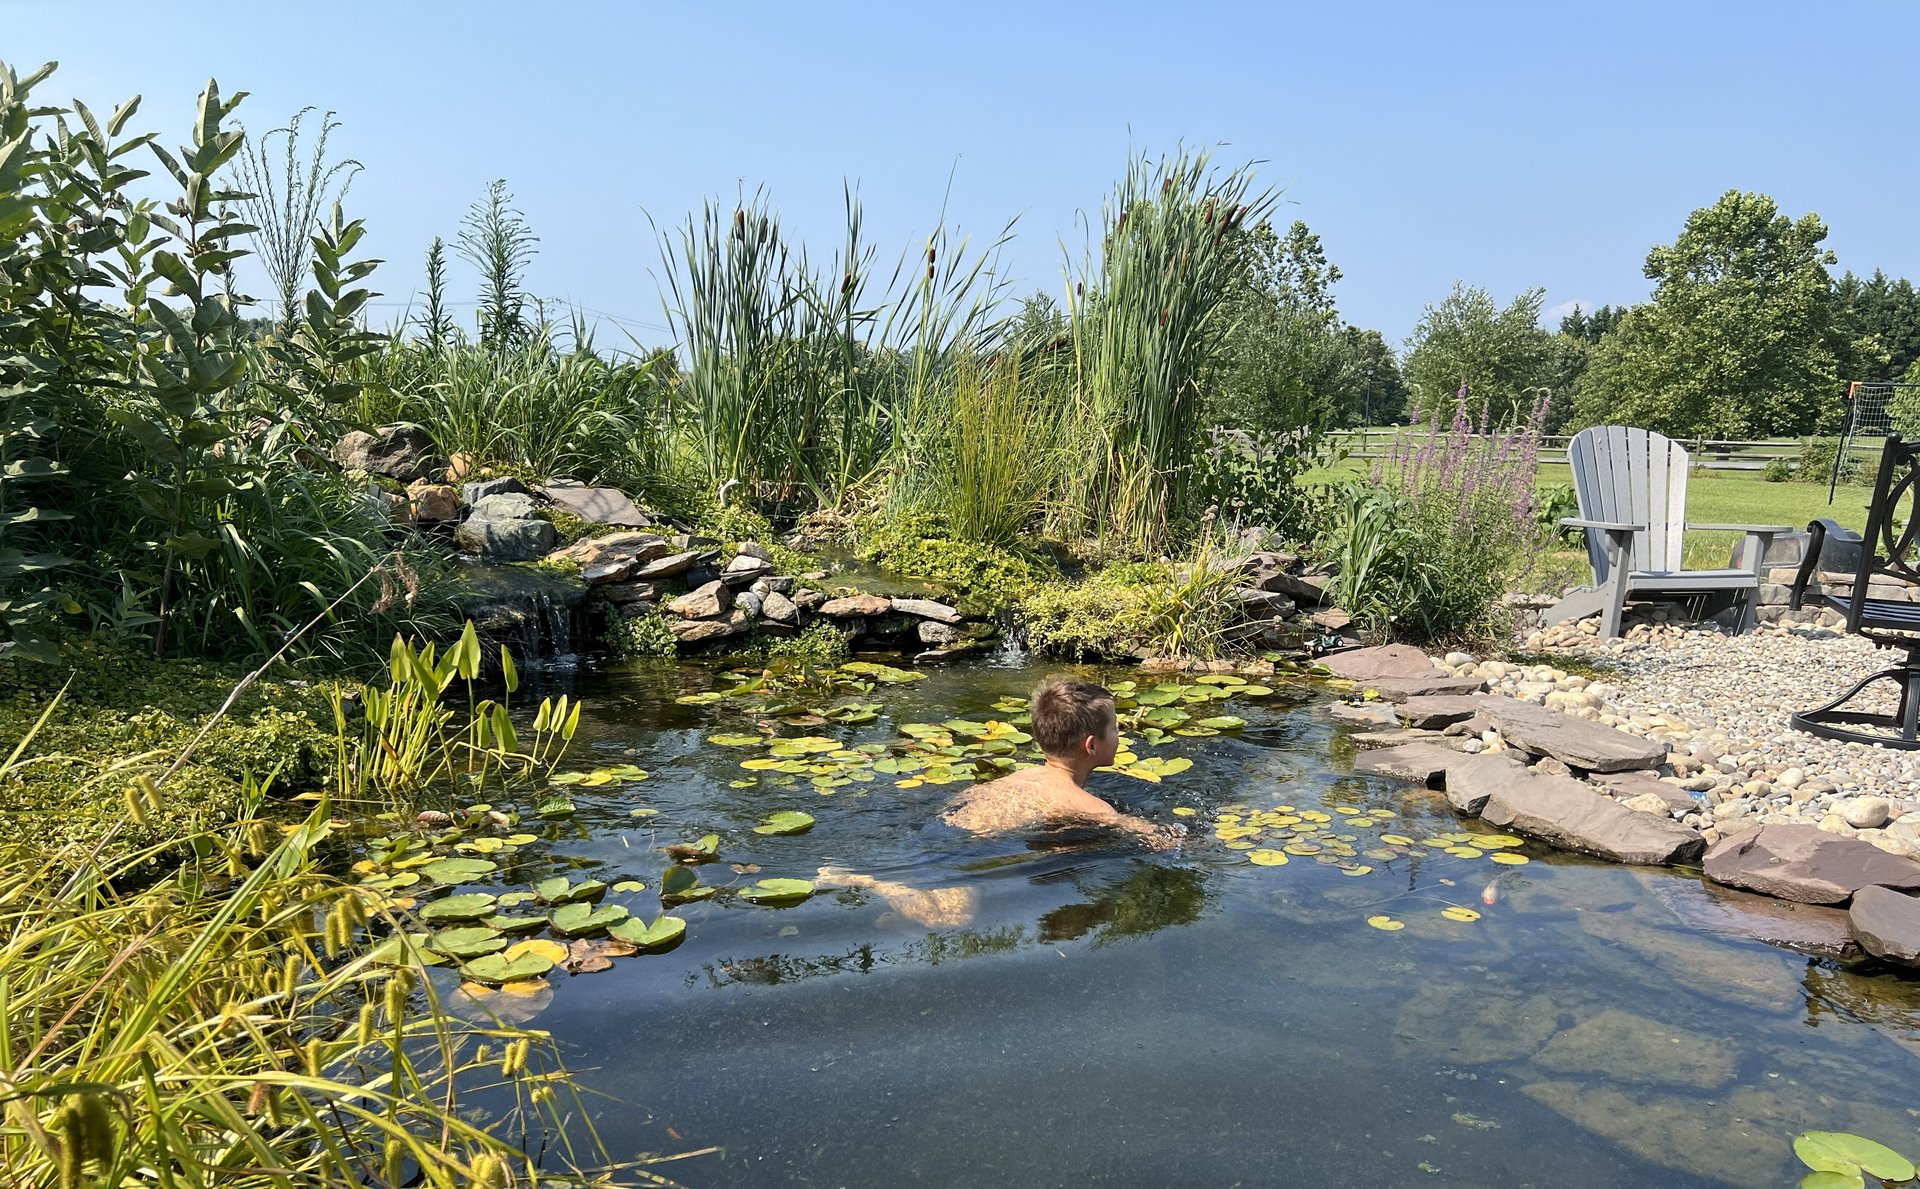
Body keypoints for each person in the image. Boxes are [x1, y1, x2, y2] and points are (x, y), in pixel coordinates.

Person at [941, 676, 1178, 847]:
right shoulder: (1092, 807)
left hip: (950, 828)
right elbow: (1157, 839)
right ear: (1091, 745)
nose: (1119, 734)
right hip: (975, 848)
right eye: (1115, 728)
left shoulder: (1020, 777)